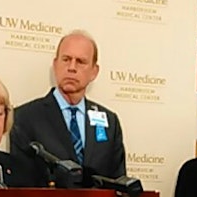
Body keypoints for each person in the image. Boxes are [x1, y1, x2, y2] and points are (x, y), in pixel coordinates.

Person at [11, 30, 126, 187]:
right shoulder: (25, 117)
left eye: (80, 61)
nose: (72, 67)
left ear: (94, 71)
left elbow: (118, 184)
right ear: (55, 64)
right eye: (66, 59)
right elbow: (21, 186)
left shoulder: (110, 122)